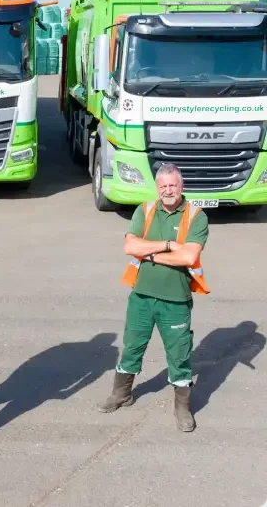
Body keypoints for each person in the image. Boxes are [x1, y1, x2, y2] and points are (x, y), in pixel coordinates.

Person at [97, 163, 210, 432]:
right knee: (132, 346)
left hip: (176, 300)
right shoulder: (145, 210)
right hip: (142, 296)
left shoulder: (196, 216)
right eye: (163, 186)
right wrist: (168, 246)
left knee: (179, 354)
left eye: (173, 185)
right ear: (157, 188)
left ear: (181, 186)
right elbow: (129, 246)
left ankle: (182, 408)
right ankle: (121, 394)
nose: (168, 191)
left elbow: (189, 256)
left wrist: (147, 254)